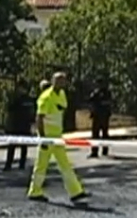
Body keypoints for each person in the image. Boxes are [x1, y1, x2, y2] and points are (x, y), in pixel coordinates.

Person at [27, 72, 90, 203]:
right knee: (41, 165)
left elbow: (62, 110)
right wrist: (42, 137)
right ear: (53, 81)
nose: (61, 83)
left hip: (57, 137)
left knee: (65, 164)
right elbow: (39, 118)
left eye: (63, 80)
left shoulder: (62, 95)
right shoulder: (46, 97)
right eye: (58, 80)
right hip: (47, 137)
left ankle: (76, 191)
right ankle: (34, 191)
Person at [3, 84, 33, 171]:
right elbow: (9, 110)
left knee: (23, 146)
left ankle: (21, 164)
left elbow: (32, 112)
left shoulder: (27, 100)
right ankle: (8, 164)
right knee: (12, 147)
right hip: (15, 126)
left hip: (23, 125)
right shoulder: (15, 99)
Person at [87, 77, 112, 158]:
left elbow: (108, 103)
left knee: (102, 134)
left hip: (102, 115)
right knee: (97, 134)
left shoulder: (106, 93)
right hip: (98, 115)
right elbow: (91, 102)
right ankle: (95, 151)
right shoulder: (96, 93)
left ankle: (103, 150)